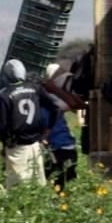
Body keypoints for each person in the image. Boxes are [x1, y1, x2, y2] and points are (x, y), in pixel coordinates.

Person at [0, 59, 57, 188]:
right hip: (35, 145)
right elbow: (54, 107)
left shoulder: (4, 95)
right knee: (38, 184)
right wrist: (47, 130)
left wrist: (6, 141)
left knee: (17, 187)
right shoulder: (35, 89)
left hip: (17, 147)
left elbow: (0, 125)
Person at [41, 63, 86, 191]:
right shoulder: (55, 102)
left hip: (57, 150)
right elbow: (76, 104)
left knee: (55, 185)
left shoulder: (46, 103)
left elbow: (74, 104)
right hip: (68, 147)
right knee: (65, 185)